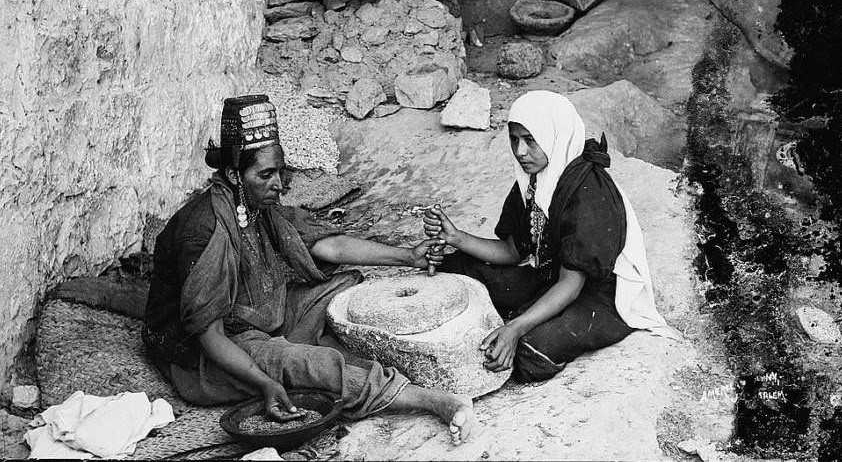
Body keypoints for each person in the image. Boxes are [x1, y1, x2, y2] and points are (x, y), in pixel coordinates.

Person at [143, 94, 472, 443]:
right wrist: (266, 383)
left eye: (281, 172)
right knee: (308, 365)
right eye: (266, 174)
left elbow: (327, 244)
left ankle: (303, 358)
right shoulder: (204, 229)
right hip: (208, 358)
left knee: (344, 285)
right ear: (232, 174)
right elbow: (211, 337)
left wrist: (409, 257)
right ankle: (434, 401)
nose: (279, 184)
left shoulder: (255, 199)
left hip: (257, 316)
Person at [423, 90, 678, 382]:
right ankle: (522, 315)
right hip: (552, 277)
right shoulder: (534, 180)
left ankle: (523, 321)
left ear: (553, 135)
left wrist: (515, 329)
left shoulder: (588, 192)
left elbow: (571, 286)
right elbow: (512, 251)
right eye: (515, 139)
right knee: (459, 266)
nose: (520, 151)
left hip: (599, 296)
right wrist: (457, 237)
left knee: (530, 353)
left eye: (530, 140)